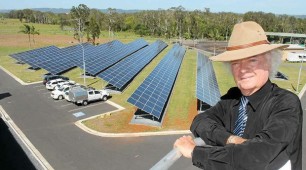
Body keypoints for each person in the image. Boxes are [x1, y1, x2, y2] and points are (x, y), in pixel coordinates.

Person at [174, 21, 303, 170]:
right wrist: (230, 139)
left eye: (252, 60)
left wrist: (195, 152)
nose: (243, 69)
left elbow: (255, 156)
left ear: (269, 62)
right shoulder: (233, 98)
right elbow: (199, 121)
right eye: (236, 63)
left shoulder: (286, 104)